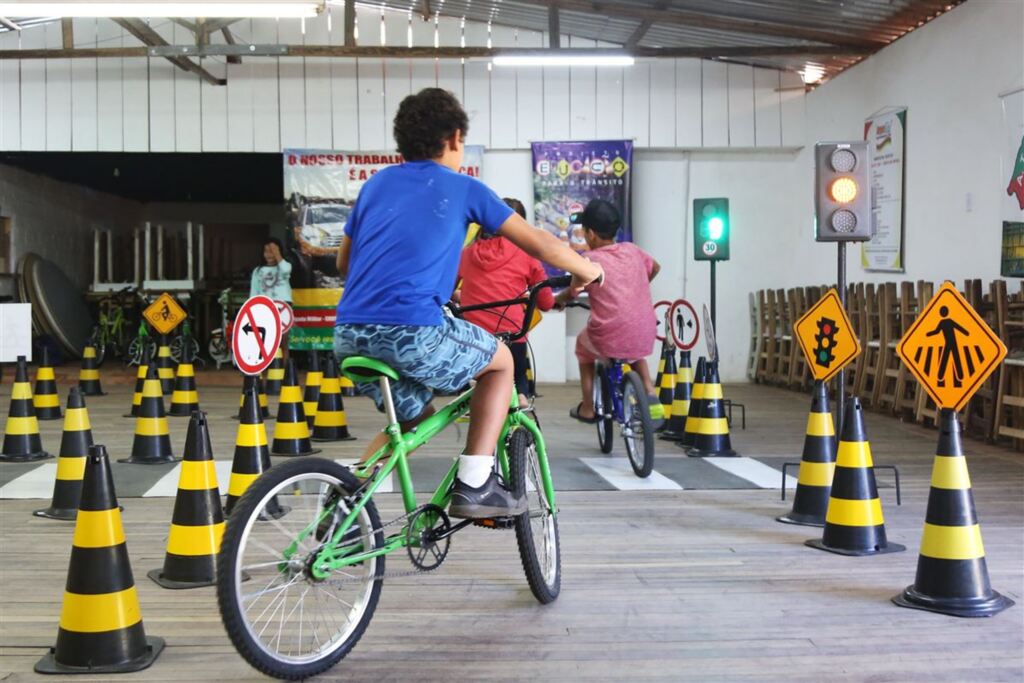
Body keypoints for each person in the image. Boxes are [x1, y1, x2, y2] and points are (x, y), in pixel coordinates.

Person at [334, 88, 603, 519]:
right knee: (501, 365)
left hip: (349, 333)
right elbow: (540, 243)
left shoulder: (376, 185)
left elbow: (344, 262)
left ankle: (346, 502)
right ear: (456, 137)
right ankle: (475, 482)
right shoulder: (463, 188)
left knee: (412, 421)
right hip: (414, 331)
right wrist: (590, 271)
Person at [555, 199, 660, 423]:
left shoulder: (589, 260)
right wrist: (636, 286)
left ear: (590, 234)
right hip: (645, 328)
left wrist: (559, 300)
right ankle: (650, 391)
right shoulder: (633, 251)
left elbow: (573, 291)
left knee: (583, 346)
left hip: (609, 333)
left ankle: (588, 407)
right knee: (633, 352)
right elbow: (655, 267)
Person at [455, 198, 554, 409]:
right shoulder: (527, 254)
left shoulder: (466, 254)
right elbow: (546, 301)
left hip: (476, 338)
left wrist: (464, 296)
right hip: (512, 336)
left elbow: (444, 291)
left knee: (479, 383)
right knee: (518, 380)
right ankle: (521, 402)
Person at [250, 237, 293, 303]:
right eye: (266, 251)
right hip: (265, 305)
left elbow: (286, 270)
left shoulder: (285, 265)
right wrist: (252, 305)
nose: (268, 254)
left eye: (272, 251)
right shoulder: (257, 270)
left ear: (279, 251)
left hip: (283, 304)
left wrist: (277, 254)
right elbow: (254, 291)